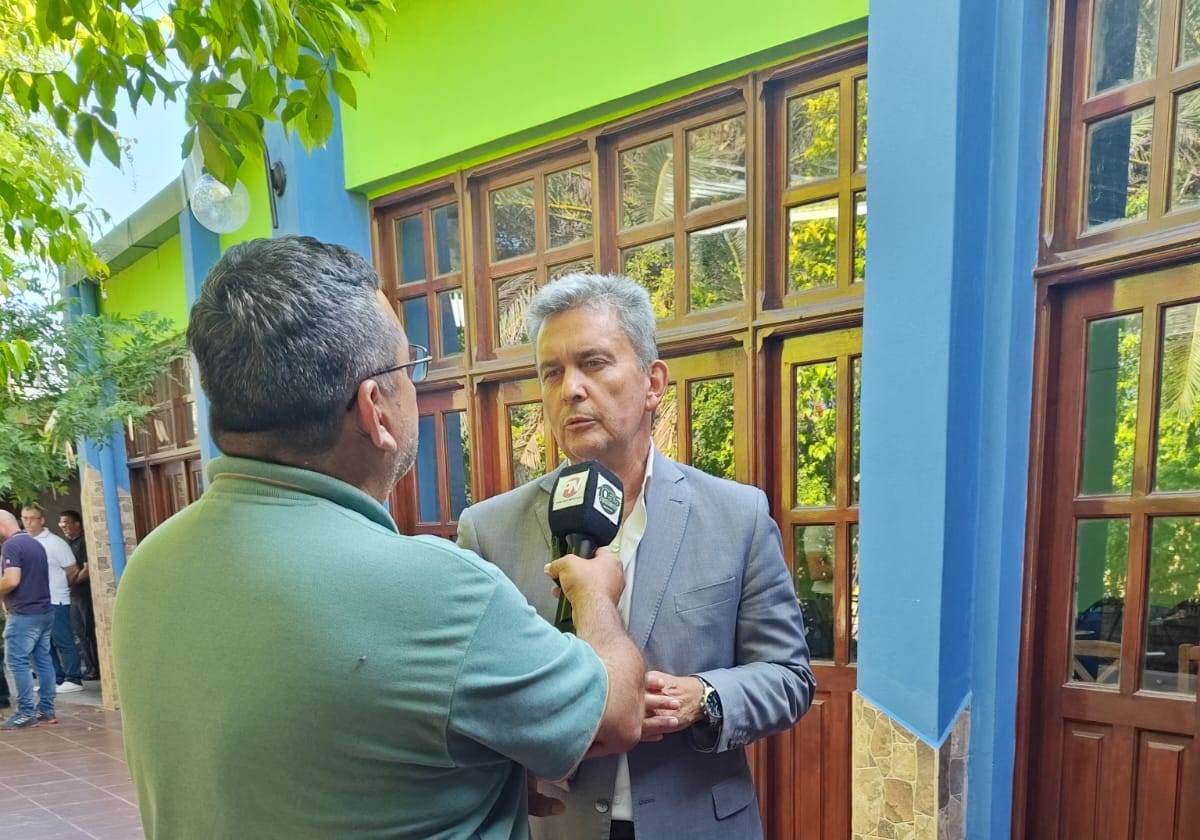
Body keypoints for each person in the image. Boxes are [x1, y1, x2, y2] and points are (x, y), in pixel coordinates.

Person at [113, 236, 645, 840]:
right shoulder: (436, 591)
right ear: (375, 408)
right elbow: (616, 713)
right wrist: (595, 596)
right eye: (407, 366)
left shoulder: (149, 567)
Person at [458, 273, 815, 840]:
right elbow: (470, 698)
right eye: (552, 372)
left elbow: (790, 677)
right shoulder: (489, 531)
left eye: (594, 363)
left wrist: (704, 699)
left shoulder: (737, 515)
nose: (571, 389)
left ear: (653, 383)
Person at [0, 510, 57, 730]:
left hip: (24, 614)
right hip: (44, 611)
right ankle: (46, 709)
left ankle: (25, 713)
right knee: (42, 661)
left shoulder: (11, 545)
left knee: (17, 662)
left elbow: (12, 580)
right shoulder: (34, 543)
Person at [21, 505, 83, 693]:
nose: (28, 522)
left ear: (41, 520)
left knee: (63, 639)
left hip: (56, 599)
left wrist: (61, 587)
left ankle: (74, 679)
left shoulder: (56, 543)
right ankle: (55, 679)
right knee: (43, 644)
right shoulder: (23, 542)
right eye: (24, 518)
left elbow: (72, 570)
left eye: (32, 518)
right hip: (34, 602)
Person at [58, 510, 99, 680]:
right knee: (80, 634)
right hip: (73, 595)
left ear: (77, 524)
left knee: (89, 632)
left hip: (84, 595)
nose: (63, 526)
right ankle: (90, 668)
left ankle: (96, 669)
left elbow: (88, 569)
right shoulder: (67, 544)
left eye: (67, 522)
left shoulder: (84, 542)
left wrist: (70, 582)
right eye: (61, 523)